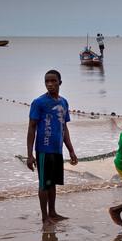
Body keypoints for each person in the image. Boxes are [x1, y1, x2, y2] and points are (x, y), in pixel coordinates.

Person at [26, 70, 78, 226]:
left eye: (53, 81)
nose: (50, 84)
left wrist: (71, 150)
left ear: (59, 82)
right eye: (47, 81)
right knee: (44, 184)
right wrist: (30, 155)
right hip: (44, 150)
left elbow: (64, 127)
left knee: (53, 183)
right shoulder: (39, 102)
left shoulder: (63, 102)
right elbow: (31, 128)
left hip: (57, 150)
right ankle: (44, 217)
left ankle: (53, 213)